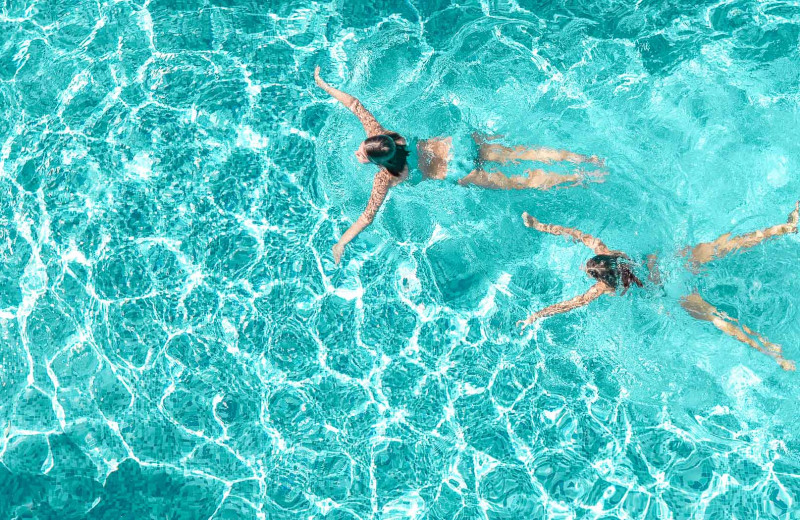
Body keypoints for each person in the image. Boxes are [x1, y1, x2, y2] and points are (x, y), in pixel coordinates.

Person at [314, 66, 606, 264]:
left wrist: (341, 243)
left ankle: (583, 178)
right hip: (460, 144)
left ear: (380, 162)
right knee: (522, 152)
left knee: (522, 182)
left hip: (461, 172)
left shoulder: (385, 178)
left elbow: (367, 218)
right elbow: (355, 105)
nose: (358, 153)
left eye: (363, 154)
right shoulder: (386, 136)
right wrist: (324, 85)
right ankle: (586, 160)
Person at [517, 203, 799, 371]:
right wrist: (540, 225)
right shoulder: (612, 251)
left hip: (670, 291)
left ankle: (774, 354)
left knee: (718, 319)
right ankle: (787, 227)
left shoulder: (604, 288)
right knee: (729, 245)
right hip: (672, 262)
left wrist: (536, 315)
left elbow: (571, 304)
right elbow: (578, 235)